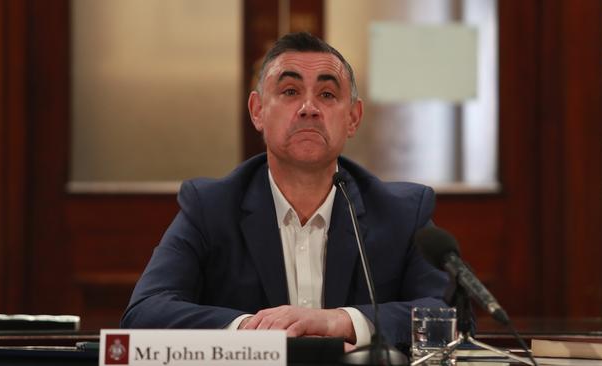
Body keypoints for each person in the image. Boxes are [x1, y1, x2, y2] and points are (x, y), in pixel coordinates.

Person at [120, 32, 449, 350]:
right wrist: (257, 331)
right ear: (257, 111)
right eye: (290, 92)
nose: (309, 107)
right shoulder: (211, 207)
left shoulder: (401, 213)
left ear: (353, 117)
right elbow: (145, 312)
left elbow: (448, 315)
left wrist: (341, 322)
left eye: (327, 95)